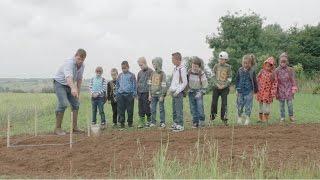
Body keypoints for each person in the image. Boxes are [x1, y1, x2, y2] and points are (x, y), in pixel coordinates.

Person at [53, 48, 86, 135]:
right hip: (60, 84)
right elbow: (69, 78)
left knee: (76, 104)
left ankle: (74, 128)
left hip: (69, 85)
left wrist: (78, 91)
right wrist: (73, 88)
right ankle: (58, 128)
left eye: (82, 60)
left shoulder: (82, 66)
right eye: (78, 59)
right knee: (63, 103)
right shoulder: (69, 63)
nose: (80, 61)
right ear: (75, 56)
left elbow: (79, 79)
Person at [235, 54, 258, 125]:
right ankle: (239, 117)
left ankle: (247, 118)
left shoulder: (252, 71)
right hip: (240, 91)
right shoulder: (239, 70)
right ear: (242, 63)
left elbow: (254, 81)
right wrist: (236, 89)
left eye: (247, 63)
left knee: (248, 105)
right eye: (244, 63)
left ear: (250, 63)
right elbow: (237, 80)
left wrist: (255, 91)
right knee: (239, 105)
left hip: (249, 91)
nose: (245, 64)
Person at [210, 51, 232, 126]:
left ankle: (224, 119)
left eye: (223, 59)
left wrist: (224, 85)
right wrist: (216, 84)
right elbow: (212, 76)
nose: (221, 60)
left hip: (224, 88)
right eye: (220, 59)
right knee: (214, 103)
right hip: (216, 87)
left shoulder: (228, 67)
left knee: (224, 104)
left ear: (226, 60)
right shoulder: (216, 66)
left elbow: (229, 78)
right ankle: (212, 117)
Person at [275, 53, 298, 123]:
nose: (283, 63)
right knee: (281, 105)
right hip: (280, 90)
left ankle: (291, 116)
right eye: (282, 61)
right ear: (279, 61)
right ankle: (282, 117)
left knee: (290, 104)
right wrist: (275, 91)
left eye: (284, 61)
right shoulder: (276, 70)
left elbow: (293, 79)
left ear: (287, 61)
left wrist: (294, 88)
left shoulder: (290, 69)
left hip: (289, 89)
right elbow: (275, 81)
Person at [168, 52, 188, 132]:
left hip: (178, 93)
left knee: (179, 109)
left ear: (178, 60)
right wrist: (170, 89)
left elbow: (184, 82)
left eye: (173, 59)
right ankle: (176, 123)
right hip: (173, 92)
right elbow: (174, 81)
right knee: (174, 109)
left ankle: (180, 125)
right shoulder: (175, 69)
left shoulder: (182, 69)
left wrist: (178, 91)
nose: (172, 61)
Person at [187, 57, 208, 128]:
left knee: (200, 107)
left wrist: (201, 92)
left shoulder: (201, 73)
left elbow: (205, 84)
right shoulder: (189, 72)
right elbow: (186, 82)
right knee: (193, 108)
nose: (194, 68)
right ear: (191, 65)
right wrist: (188, 89)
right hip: (191, 91)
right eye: (193, 66)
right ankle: (195, 122)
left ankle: (201, 121)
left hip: (199, 91)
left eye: (196, 66)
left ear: (199, 66)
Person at [116, 61, 137, 129]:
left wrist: (134, 93)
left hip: (129, 95)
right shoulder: (119, 75)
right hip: (121, 95)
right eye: (122, 68)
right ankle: (122, 123)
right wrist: (117, 93)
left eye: (125, 68)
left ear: (128, 67)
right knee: (121, 110)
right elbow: (117, 85)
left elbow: (134, 85)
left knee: (130, 109)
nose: (123, 69)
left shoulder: (132, 75)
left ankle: (130, 123)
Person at [256, 57, 278, 123]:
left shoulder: (273, 74)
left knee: (266, 105)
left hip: (268, 92)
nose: (267, 67)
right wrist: (256, 88)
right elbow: (257, 79)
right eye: (266, 65)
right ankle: (260, 118)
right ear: (264, 65)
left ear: (272, 66)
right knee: (260, 105)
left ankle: (266, 118)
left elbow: (275, 83)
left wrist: (273, 92)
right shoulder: (261, 71)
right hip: (261, 91)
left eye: (269, 66)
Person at [148, 57, 167, 128]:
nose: (153, 65)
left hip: (160, 95)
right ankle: (153, 122)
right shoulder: (152, 73)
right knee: (152, 109)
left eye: (154, 64)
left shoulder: (163, 74)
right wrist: (149, 94)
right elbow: (149, 84)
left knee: (161, 109)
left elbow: (164, 85)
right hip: (153, 95)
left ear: (158, 64)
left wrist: (162, 95)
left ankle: (162, 122)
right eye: (153, 64)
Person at [136, 57, 154, 128]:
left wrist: (150, 94)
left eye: (141, 65)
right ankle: (142, 122)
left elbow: (152, 84)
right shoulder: (139, 73)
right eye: (139, 65)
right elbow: (137, 83)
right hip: (140, 92)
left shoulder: (151, 71)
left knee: (147, 108)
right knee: (141, 108)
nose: (140, 67)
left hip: (147, 92)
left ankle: (149, 121)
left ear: (145, 63)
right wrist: (137, 93)